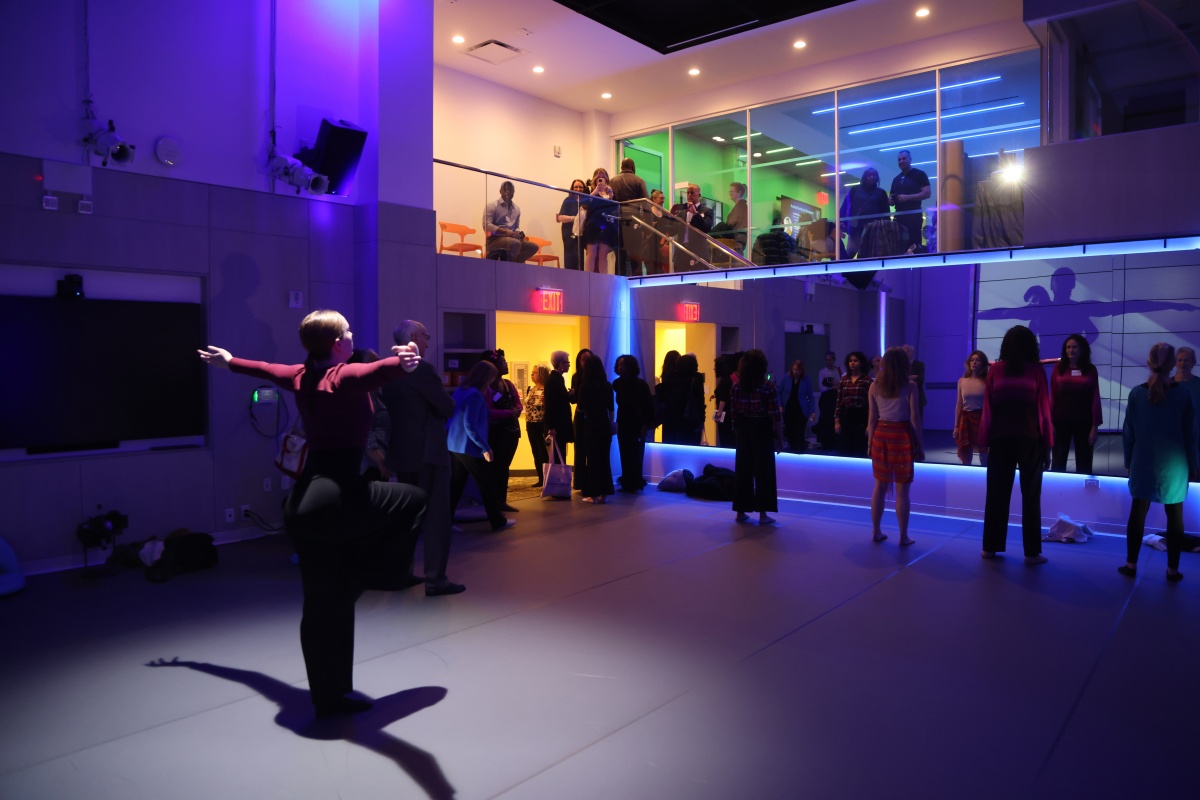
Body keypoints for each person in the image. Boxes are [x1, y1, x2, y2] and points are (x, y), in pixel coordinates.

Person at [198, 310, 426, 719]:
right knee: (413, 500)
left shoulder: (299, 376)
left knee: (323, 606)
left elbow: (265, 368)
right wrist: (404, 361)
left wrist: (228, 361)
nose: (353, 335)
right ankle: (382, 576)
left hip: (305, 499)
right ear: (337, 342)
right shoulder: (343, 376)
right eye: (348, 331)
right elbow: (377, 372)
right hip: (341, 493)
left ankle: (330, 697)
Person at [379, 320, 463, 597]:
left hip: (401, 453)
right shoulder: (423, 370)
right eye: (425, 336)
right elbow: (447, 406)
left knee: (407, 517)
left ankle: (401, 573)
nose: (427, 341)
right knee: (436, 519)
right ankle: (435, 580)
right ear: (414, 337)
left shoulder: (389, 369)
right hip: (429, 453)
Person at [1121, 343, 1196, 581]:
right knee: (1175, 516)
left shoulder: (1136, 394)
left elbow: (1128, 433)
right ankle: (1172, 570)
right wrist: (1194, 464)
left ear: (1149, 361)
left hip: (1142, 462)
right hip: (1175, 466)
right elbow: (1191, 435)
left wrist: (1128, 460)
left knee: (1137, 513)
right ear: (1173, 364)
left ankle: (1131, 565)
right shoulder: (1184, 395)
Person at [980, 325, 1053, 563]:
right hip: (1030, 440)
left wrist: (983, 440)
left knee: (996, 495)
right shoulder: (1036, 372)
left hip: (1000, 440)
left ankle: (990, 547)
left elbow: (988, 410)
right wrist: (1048, 445)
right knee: (1031, 496)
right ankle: (1032, 552)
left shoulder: (995, 371)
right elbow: (1044, 412)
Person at [447, 360, 514, 532]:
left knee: (456, 485)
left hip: (455, 445)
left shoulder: (462, 390)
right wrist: (485, 448)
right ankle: (497, 521)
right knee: (487, 485)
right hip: (470, 447)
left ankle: (445, 523)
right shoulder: (475, 395)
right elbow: (471, 425)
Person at [868, 347, 923, 545]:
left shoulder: (874, 386)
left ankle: (875, 531)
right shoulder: (910, 386)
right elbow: (915, 419)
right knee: (902, 491)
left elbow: (872, 419)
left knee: (879, 487)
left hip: (881, 436)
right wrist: (921, 445)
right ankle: (903, 536)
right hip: (901, 436)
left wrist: (869, 443)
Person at [730, 349, 783, 524]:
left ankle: (740, 511)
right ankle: (763, 513)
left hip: (744, 428)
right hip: (762, 428)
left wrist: (737, 430)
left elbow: (734, 412)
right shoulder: (767, 386)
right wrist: (780, 438)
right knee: (764, 471)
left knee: (743, 470)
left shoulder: (737, 386)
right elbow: (775, 414)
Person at [1050, 334, 1102, 474]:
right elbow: (1053, 396)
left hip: (1084, 422)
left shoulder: (1091, 370)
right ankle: (1056, 491)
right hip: (1061, 421)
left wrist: (1095, 427)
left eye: (1074, 347)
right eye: (1068, 347)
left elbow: (1095, 397)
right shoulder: (1058, 368)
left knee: (1084, 463)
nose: (1070, 350)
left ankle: (1083, 494)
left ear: (1081, 350)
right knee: (1058, 462)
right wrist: (1050, 422)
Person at [480, 349, 522, 512]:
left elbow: (518, 403)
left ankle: (501, 500)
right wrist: (509, 412)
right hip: (496, 432)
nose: (506, 365)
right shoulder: (488, 387)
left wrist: (517, 409)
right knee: (495, 467)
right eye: (503, 363)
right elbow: (487, 412)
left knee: (504, 467)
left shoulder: (508, 384)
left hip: (511, 431)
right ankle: (493, 502)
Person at [576, 354, 615, 504]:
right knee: (604, 460)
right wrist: (612, 422)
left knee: (592, 460)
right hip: (605, 425)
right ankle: (605, 493)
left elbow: (580, 407)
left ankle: (593, 494)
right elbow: (611, 408)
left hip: (591, 425)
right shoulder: (607, 385)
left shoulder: (585, 386)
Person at [613, 355, 654, 492]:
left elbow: (648, 406)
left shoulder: (639, 385)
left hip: (636, 423)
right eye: (619, 365)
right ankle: (629, 481)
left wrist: (646, 425)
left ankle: (634, 481)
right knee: (625, 452)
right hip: (624, 422)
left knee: (635, 453)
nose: (620, 367)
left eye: (623, 365)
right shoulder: (617, 384)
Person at [839, 167, 891, 258]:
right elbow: (845, 206)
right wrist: (841, 221)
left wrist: (886, 229)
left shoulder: (881, 193)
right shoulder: (855, 189)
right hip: (856, 229)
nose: (872, 177)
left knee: (867, 255)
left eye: (874, 175)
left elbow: (886, 213)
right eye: (869, 174)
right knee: (849, 254)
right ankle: (845, 272)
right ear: (864, 177)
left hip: (873, 230)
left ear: (877, 178)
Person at [609, 158, 648, 276]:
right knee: (635, 254)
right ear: (633, 167)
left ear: (621, 167)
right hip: (633, 218)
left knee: (619, 254)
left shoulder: (613, 180)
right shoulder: (639, 180)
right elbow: (646, 203)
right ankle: (636, 282)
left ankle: (618, 281)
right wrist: (648, 225)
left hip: (617, 217)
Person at [483, 180, 538, 263]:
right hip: (494, 239)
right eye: (505, 189)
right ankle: (511, 268)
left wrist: (518, 234)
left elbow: (516, 227)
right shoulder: (492, 205)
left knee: (533, 247)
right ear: (500, 191)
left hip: (512, 239)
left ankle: (514, 264)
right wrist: (507, 232)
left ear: (514, 192)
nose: (508, 191)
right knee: (515, 243)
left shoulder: (517, 209)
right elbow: (487, 226)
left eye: (510, 189)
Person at [544, 350, 575, 488]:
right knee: (558, 455)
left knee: (559, 453)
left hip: (557, 424)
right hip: (557, 425)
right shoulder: (555, 379)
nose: (569, 365)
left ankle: (558, 486)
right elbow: (551, 404)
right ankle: (558, 486)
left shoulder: (556, 379)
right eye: (567, 362)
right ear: (561, 364)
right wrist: (551, 427)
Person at [889, 150, 931, 253]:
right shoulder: (896, 179)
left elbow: (927, 193)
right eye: (899, 159)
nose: (901, 161)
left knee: (914, 246)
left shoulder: (919, 174)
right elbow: (891, 199)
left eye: (904, 158)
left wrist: (908, 197)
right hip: (899, 218)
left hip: (913, 217)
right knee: (898, 246)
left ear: (910, 159)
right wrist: (891, 200)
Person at [954, 350, 990, 466]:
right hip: (966, 419)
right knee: (966, 452)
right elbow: (959, 404)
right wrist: (956, 425)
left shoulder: (987, 381)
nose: (974, 362)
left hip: (982, 419)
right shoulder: (962, 381)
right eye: (972, 360)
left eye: (978, 360)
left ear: (983, 363)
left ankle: (985, 478)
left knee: (984, 453)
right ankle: (968, 478)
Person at [834, 351, 872, 456]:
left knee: (859, 446)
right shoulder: (844, 380)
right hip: (846, 415)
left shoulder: (867, 380)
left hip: (861, 415)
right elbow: (839, 401)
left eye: (855, 361)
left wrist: (870, 424)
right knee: (845, 446)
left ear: (861, 363)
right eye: (850, 361)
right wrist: (837, 421)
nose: (852, 363)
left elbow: (870, 404)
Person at [663, 352, 705, 445]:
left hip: (673, 419)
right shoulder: (696, 378)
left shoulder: (671, 377)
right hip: (690, 419)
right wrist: (702, 419)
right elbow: (699, 401)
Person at [582, 168, 619, 273]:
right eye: (598, 177)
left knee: (603, 255)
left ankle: (603, 280)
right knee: (591, 253)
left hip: (606, 226)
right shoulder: (589, 190)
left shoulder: (610, 191)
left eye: (603, 177)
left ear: (607, 178)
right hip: (592, 225)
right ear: (595, 178)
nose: (601, 179)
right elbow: (584, 205)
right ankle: (588, 278)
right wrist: (595, 191)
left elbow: (614, 209)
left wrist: (611, 195)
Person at [1172, 346, 1200, 474]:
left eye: (1186, 360)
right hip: (1172, 441)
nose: (1182, 363)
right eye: (1180, 360)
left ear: (1193, 362)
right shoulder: (1166, 385)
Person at [569, 348, 594, 489]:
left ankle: (591, 482)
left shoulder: (598, 379)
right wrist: (572, 394)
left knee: (592, 450)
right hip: (580, 415)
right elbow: (575, 400)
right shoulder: (576, 376)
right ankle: (580, 482)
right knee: (579, 450)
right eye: (582, 360)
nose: (584, 362)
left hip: (593, 416)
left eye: (587, 359)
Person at [777, 359, 814, 453]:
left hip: (801, 410)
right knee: (789, 433)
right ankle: (793, 451)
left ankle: (800, 452)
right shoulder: (786, 378)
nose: (795, 372)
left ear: (801, 371)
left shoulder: (806, 380)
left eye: (798, 370)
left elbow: (810, 396)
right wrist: (780, 405)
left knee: (799, 433)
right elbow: (779, 392)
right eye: (794, 369)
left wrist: (812, 411)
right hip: (788, 409)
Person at [524, 363, 550, 488]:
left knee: (543, 451)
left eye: (535, 372)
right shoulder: (531, 388)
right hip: (530, 423)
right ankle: (540, 477)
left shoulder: (547, 388)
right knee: (535, 451)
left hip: (541, 423)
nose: (532, 375)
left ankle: (547, 478)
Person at [555, 178, 588, 271]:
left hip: (581, 234)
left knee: (580, 258)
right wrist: (574, 218)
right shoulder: (568, 200)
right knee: (570, 258)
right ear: (572, 189)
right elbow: (560, 217)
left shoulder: (585, 201)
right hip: (569, 233)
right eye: (576, 187)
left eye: (580, 187)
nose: (578, 189)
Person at [711, 352, 742, 448]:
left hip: (725, 415)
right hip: (730, 414)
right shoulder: (731, 378)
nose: (714, 368)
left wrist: (719, 414)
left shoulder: (725, 380)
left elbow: (724, 398)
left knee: (725, 439)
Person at [814, 351, 842, 450]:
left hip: (836, 397)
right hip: (826, 398)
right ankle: (826, 442)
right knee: (826, 419)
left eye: (830, 360)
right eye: (826, 360)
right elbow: (821, 387)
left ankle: (836, 442)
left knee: (835, 418)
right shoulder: (822, 371)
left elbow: (841, 384)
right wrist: (832, 387)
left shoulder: (839, 370)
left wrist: (835, 386)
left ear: (833, 360)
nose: (828, 362)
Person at [711, 181, 749, 253]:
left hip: (736, 236)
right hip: (736, 235)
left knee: (721, 225)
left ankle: (706, 237)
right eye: (730, 191)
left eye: (732, 191)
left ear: (739, 193)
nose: (730, 193)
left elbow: (732, 222)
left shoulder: (741, 206)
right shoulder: (740, 206)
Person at [900, 343, 926, 420]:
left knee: (917, 420)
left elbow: (920, 380)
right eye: (903, 352)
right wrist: (912, 377)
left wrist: (905, 378)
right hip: (903, 397)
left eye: (907, 351)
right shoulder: (900, 365)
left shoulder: (919, 364)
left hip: (918, 397)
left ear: (912, 352)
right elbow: (899, 379)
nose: (905, 354)